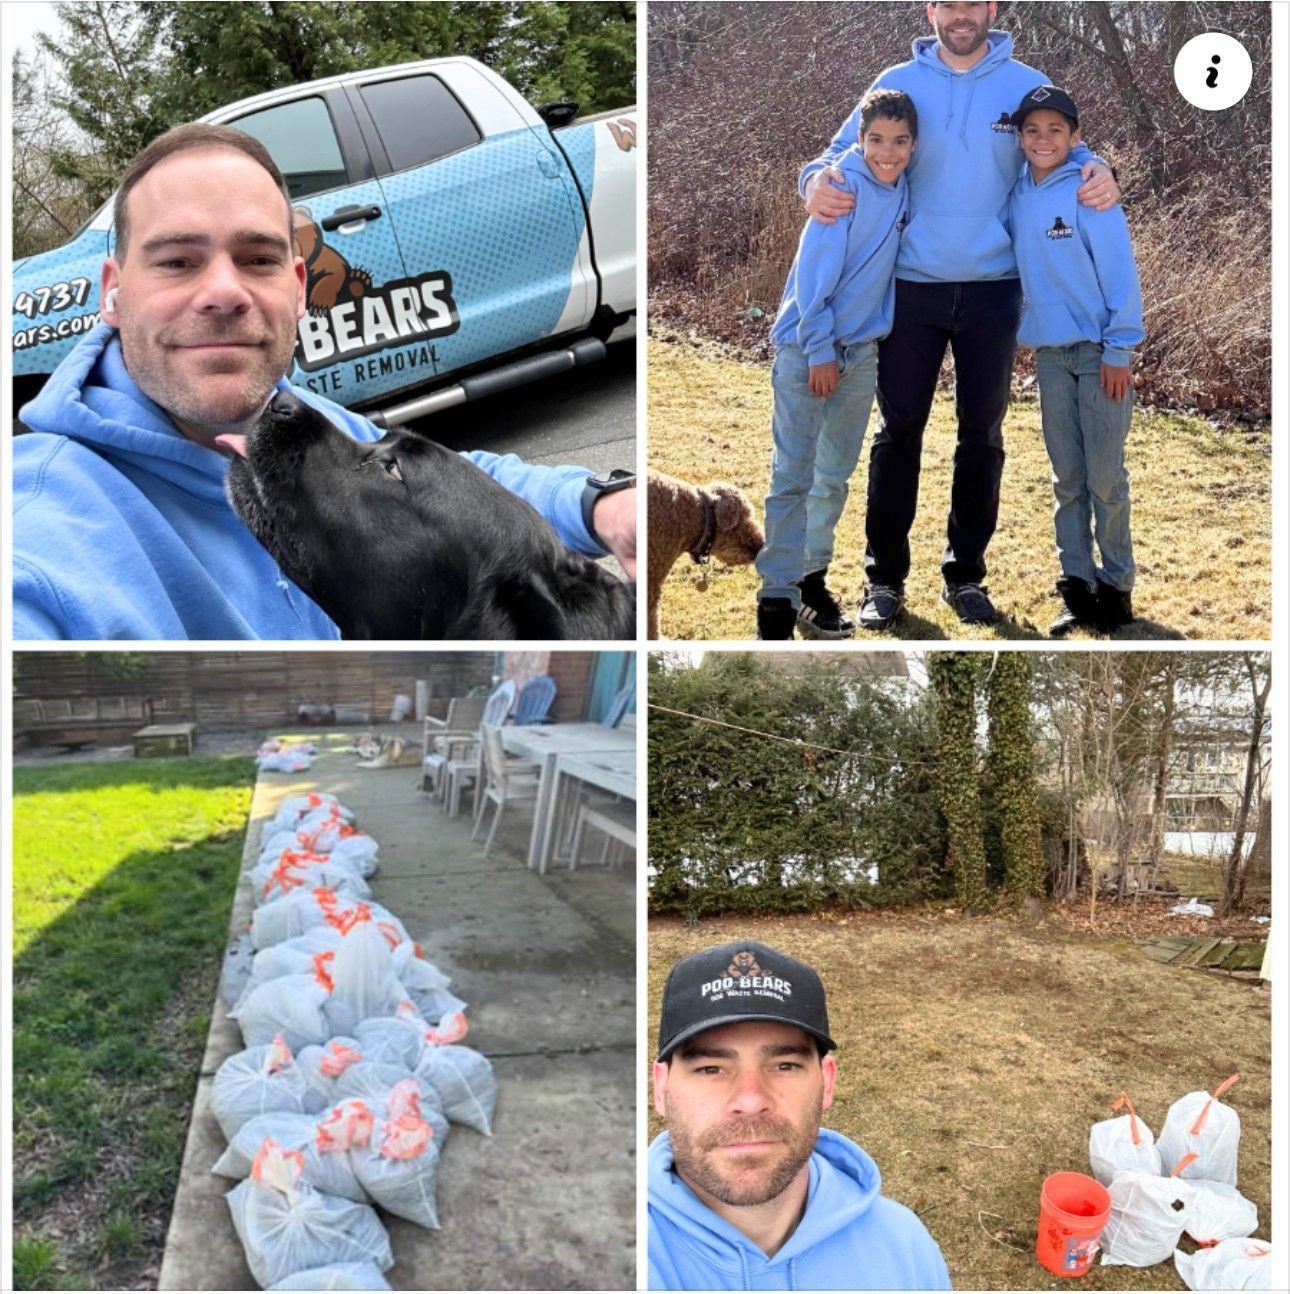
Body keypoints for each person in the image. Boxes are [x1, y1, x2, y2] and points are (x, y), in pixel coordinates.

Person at [12, 123, 636, 640]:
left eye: (258, 259)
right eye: (177, 261)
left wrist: (600, 504)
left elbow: (453, 487)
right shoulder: (46, 528)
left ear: (299, 286)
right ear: (112, 294)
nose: (225, 292)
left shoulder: (290, 418)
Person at [800, 1, 1121, 632]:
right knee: (900, 434)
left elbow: (1064, 147)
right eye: (949, 3)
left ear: (992, 8)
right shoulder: (897, 83)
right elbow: (835, 158)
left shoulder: (1023, 83)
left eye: (973, 2)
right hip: (912, 287)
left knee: (983, 435)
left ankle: (965, 575)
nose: (962, 15)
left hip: (994, 290)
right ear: (931, 10)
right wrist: (810, 181)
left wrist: (1103, 170)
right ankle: (884, 580)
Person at [649, 939, 952, 1290]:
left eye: (785, 1065)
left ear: (827, 1082)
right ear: (661, 1088)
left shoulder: (906, 1250)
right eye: (710, 1069)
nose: (750, 1100)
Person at [755, 90, 916, 641]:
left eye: (898, 142)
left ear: (914, 145)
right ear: (859, 138)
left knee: (833, 479)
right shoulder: (841, 187)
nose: (886, 152)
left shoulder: (903, 191)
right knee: (792, 478)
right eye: (875, 141)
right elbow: (812, 279)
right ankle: (775, 601)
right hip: (811, 350)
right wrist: (820, 348)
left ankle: (809, 581)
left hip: (863, 353)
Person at [1007, 86, 1144, 637]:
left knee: (1106, 477)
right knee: (1068, 477)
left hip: (1098, 354)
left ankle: (1117, 587)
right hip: (1050, 356)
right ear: (1019, 138)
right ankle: (1076, 587)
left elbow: (1120, 273)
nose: (1044, 140)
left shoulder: (1091, 193)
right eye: (1033, 131)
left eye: (1056, 131)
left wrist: (1120, 349)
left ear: (1075, 137)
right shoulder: (1015, 193)